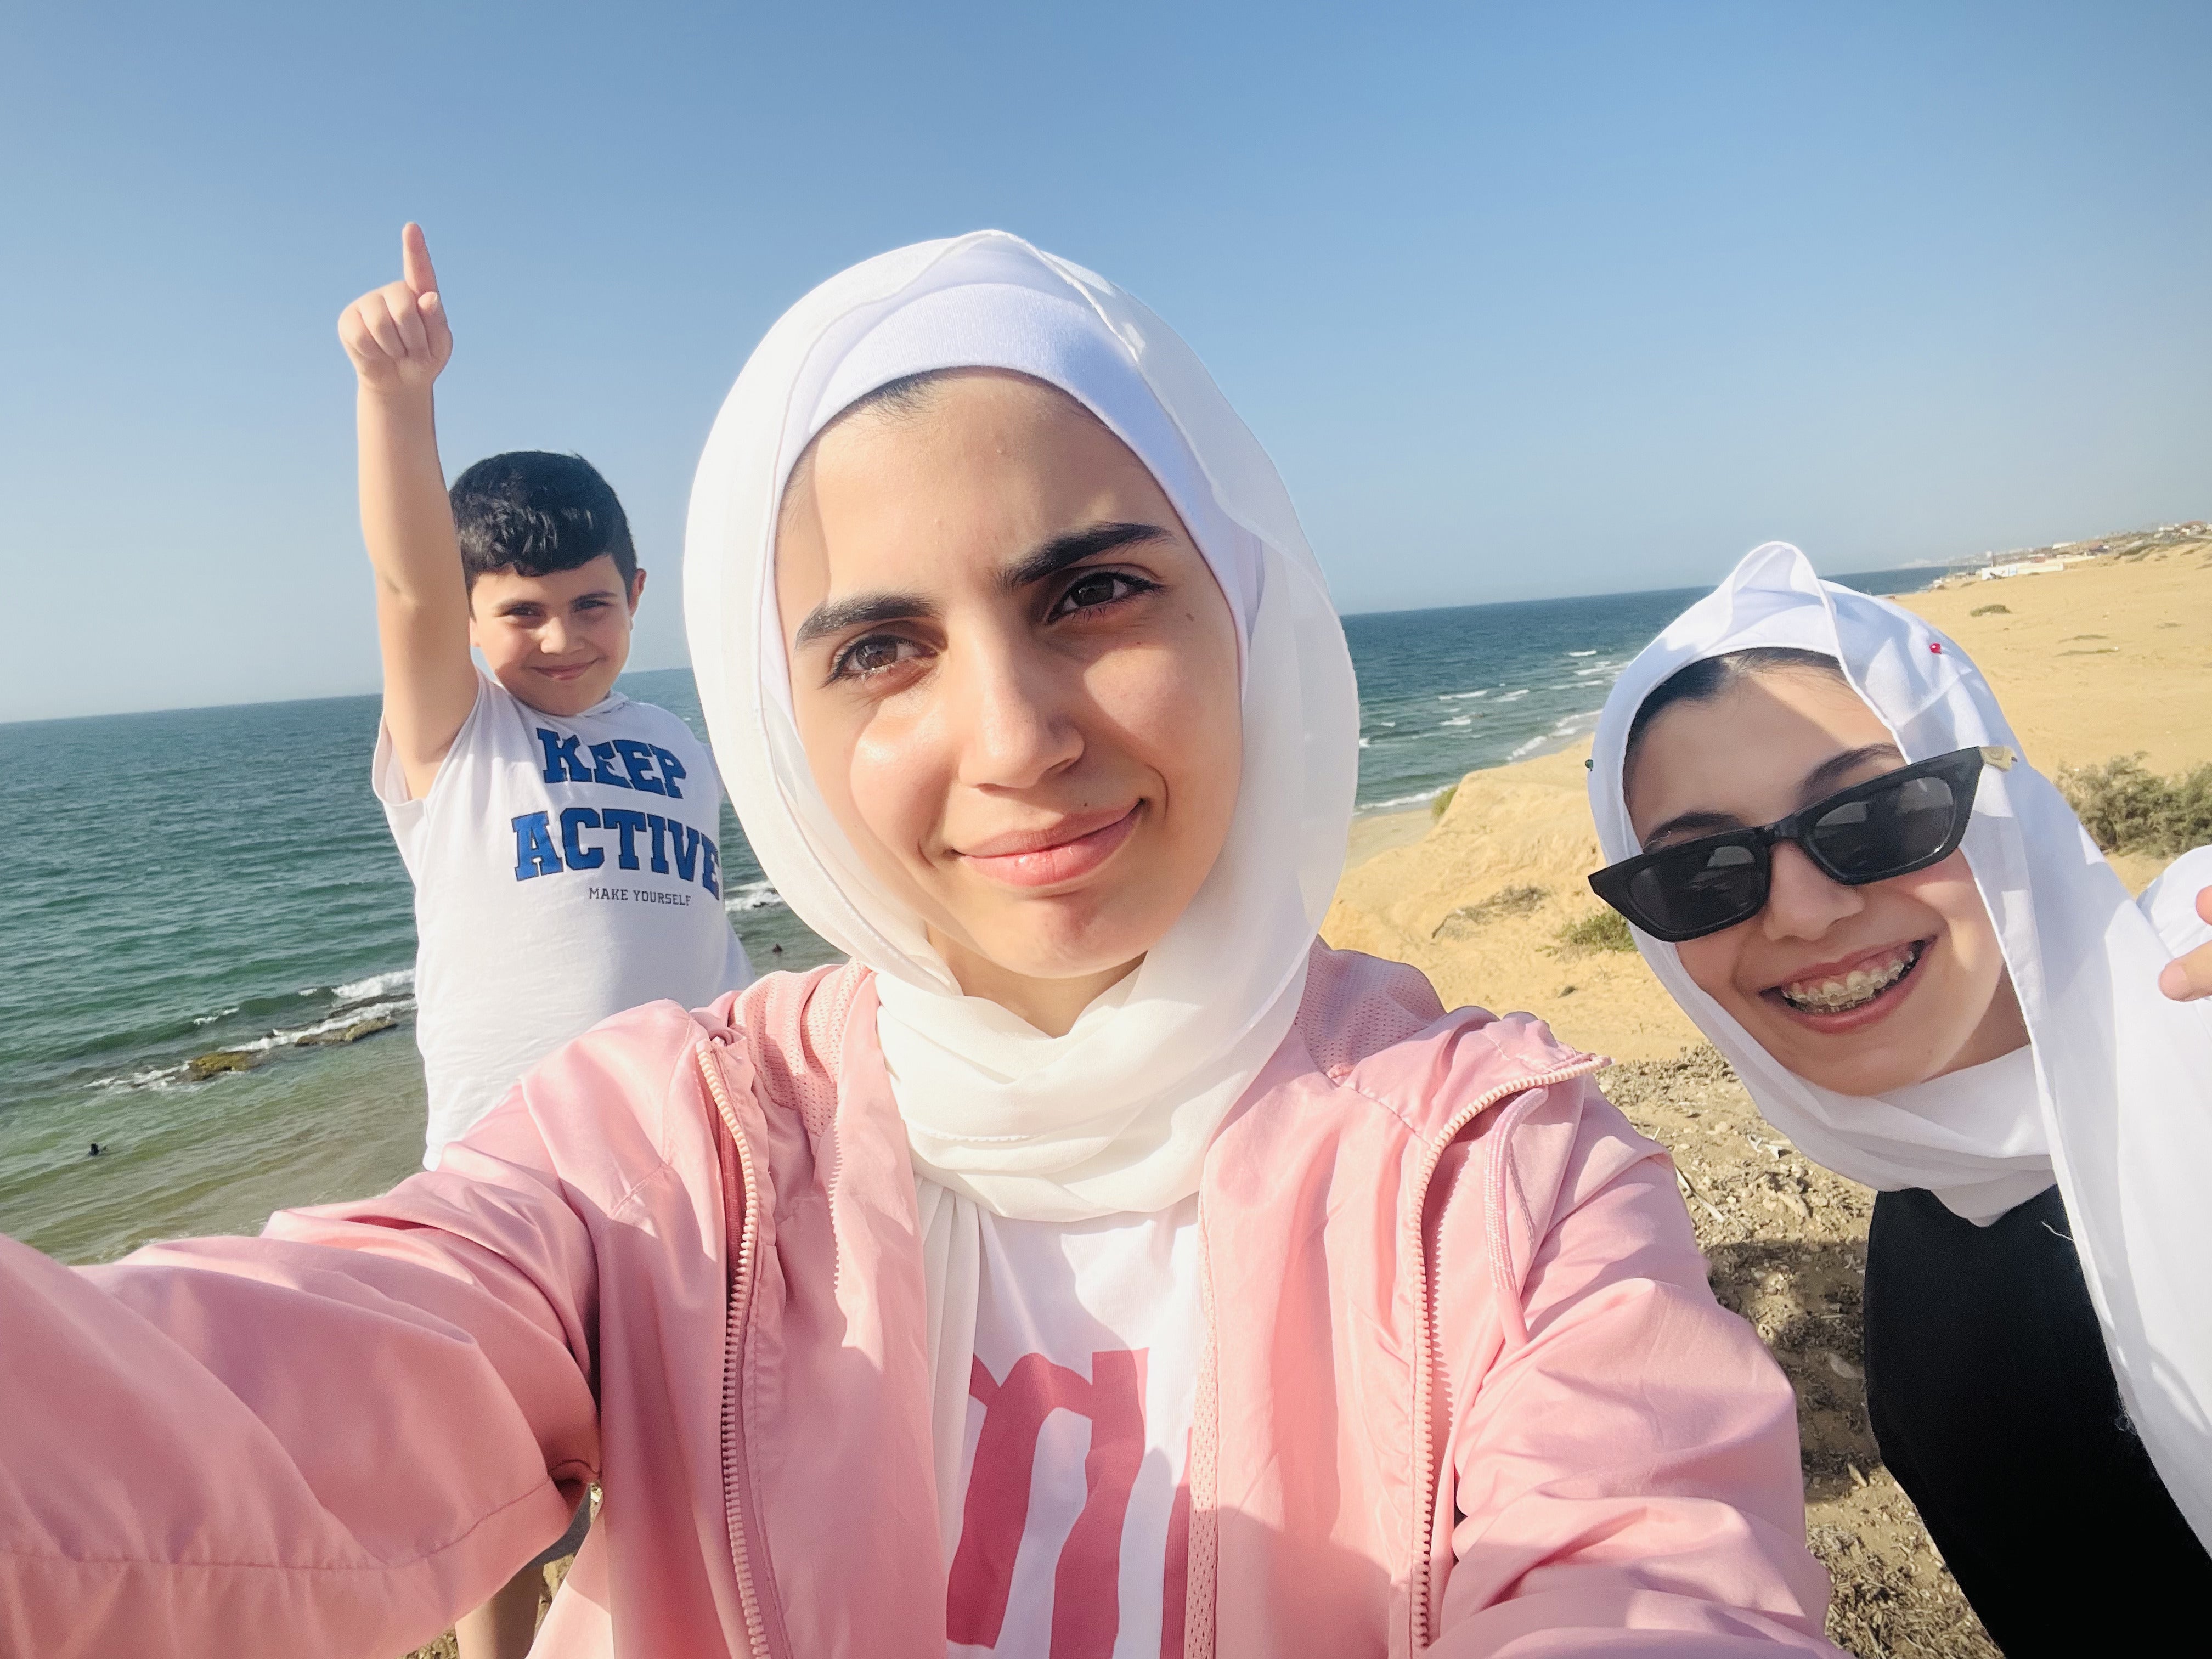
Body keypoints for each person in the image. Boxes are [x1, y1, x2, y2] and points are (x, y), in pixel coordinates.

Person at [0, 235, 1841, 1658]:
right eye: (878, 648)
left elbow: (1653, 1561)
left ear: (1249, 608)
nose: (1014, 736)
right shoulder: (658, 1169)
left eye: (1095, 590)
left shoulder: (1489, 1168)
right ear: (793, 719)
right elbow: (243, 1395)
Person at [1583, 543, 2212, 1654]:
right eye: (1704, 875)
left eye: (1876, 816)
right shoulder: (1921, 1278)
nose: (1806, 911)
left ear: (1992, 804)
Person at [337, 224, 753, 1655]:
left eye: (592, 603)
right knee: (500, 1465)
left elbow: (696, 927)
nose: (563, 637)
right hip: (506, 1178)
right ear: (472, 623)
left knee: (670, 1443)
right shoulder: (462, 740)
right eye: (521, 614)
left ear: (637, 595)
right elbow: (405, 586)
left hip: (680, 1164)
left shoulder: (680, 746)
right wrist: (399, 399)